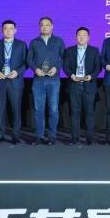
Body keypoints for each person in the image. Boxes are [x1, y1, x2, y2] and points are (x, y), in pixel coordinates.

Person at [0, 20, 28, 144]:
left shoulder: (21, 45)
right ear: (1, 30)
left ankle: (15, 135)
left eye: (11, 28)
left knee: (16, 109)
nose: (8, 31)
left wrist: (17, 72)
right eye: (5, 28)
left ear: (15, 30)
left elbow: (26, 62)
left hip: (15, 81)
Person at [28, 16, 66, 145]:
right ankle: (39, 136)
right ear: (39, 27)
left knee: (53, 109)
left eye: (47, 25)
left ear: (52, 26)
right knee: (38, 109)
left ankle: (52, 136)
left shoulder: (58, 41)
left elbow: (64, 58)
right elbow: (29, 59)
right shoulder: (34, 42)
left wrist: (56, 68)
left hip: (54, 80)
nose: (44, 27)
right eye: (42, 25)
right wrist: (35, 69)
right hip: (38, 80)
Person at [63, 27, 101, 145]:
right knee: (75, 113)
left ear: (88, 38)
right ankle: (75, 138)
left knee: (90, 113)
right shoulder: (69, 50)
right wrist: (71, 75)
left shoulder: (94, 51)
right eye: (79, 35)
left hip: (89, 85)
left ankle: (90, 138)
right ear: (76, 37)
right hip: (74, 84)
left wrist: (91, 76)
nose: (81, 37)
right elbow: (65, 66)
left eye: (84, 35)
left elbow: (98, 67)